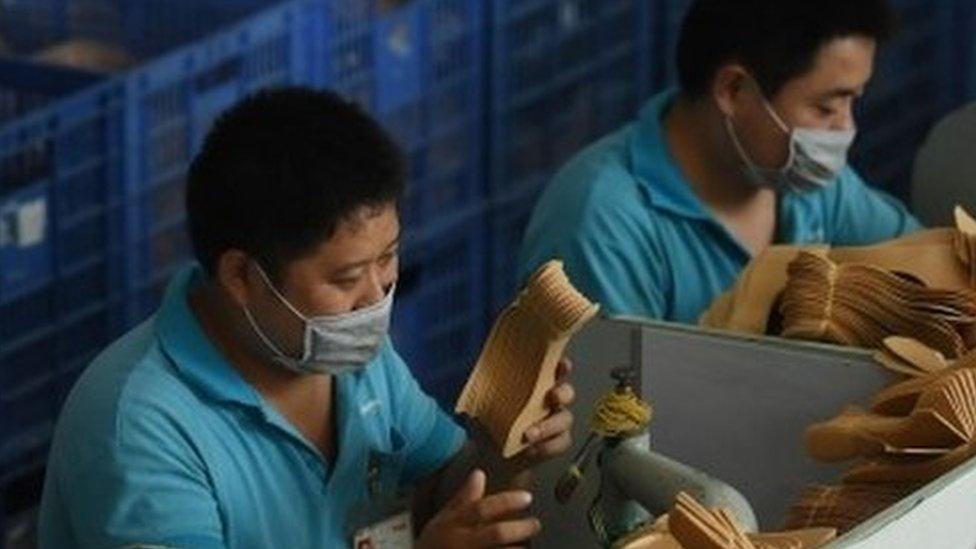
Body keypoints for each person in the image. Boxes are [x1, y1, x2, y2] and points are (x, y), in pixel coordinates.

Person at [38, 88, 576, 548]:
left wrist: (509, 446)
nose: (376, 296)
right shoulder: (139, 429)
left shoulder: (350, 354)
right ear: (242, 276)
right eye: (345, 279)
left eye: (388, 257)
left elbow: (439, 483)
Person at [518, 0, 923, 324]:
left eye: (854, 99)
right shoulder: (602, 223)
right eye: (824, 107)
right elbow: (608, 415)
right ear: (733, 89)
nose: (845, 127)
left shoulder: (805, 183)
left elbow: (928, 268)